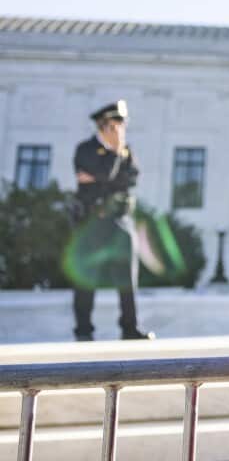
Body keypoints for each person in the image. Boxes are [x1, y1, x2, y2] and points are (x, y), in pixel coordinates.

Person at [69, 101, 153, 341]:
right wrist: (114, 157)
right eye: (116, 125)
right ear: (103, 125)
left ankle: (130, 327)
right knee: (87, 277)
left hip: (120, 221)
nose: (121, 130)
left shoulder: (127, 151)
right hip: (91, 223)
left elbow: (132, 179)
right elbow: (110, 176)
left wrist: (99, 179)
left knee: (128, 276)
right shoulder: (85, 149)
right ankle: (83, 331)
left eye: (122, 125)